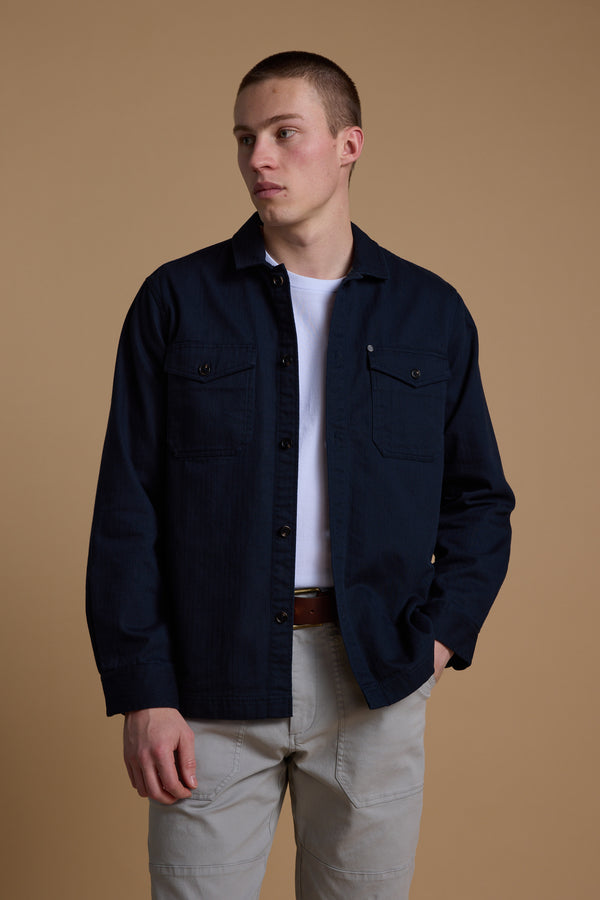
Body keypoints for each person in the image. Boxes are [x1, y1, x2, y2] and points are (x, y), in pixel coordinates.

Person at [86, 51, 514, 900]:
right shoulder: (175, 302)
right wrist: (144, 691)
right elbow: (126, 509)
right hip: (209, 682)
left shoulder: (431, 313)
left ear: (349, 144)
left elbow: (479, 501)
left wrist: (435, 640)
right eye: (246, 138)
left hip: (374, 679)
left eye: (286, 134)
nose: (259, 159)